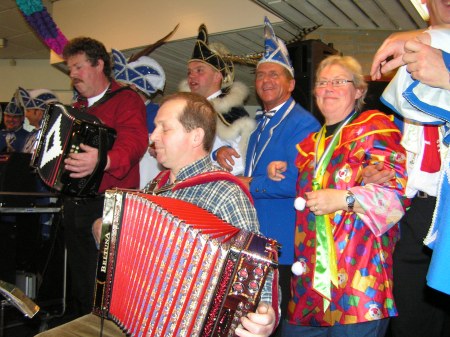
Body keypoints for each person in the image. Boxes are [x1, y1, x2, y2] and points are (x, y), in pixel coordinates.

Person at [35, 92, 278, 337]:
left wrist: (265, 315)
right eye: (155, 128)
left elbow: (258, 272)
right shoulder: (154, 187)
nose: (152, 136)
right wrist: (103, 230)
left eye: (165, 129)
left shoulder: (225, 192)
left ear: (196, 136)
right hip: (128, 318)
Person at [267, 55, 408, 337]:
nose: (328, 87)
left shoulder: (375, 128)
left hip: (358, 286)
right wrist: (279, 170)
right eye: (322, 82)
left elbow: (395, 203)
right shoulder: (309, 146)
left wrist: (345, 199)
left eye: (338, 81)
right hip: (307, 289)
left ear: (358, 91)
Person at [221, 17, 319, 335]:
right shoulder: (261, 123)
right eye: (261, 74)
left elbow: (300, 182)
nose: (265, 80)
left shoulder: (303, 125)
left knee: (277, 324)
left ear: (290, 84)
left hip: (286, 247)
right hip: (259, 243)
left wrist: (253, 183)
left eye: (274, 74)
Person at [367, 1, 450, 336]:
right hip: (418, 208)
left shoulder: (427, 50)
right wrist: (383, 172)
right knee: (412, 312)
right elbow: (401, 140)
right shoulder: (418, 57)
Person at [61, 36, 148, 317]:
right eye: (70, 68)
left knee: (106, 285)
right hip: (76, 203)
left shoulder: (127, 99)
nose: (72, 74)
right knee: (80, 282)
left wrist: (103, 161)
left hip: (109, 202)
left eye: (77, 66)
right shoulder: (76, 109)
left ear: (99, 65)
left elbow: (135, 142)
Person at [180, 24, 256, 175]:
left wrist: (214, 157)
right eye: (189, 72)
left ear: (217, 76)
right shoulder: (186, 111)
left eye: (199, 70)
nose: (191, 76)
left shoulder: (232, 112)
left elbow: (241, 161)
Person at [112, 47, 166, 188]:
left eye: (121, 86)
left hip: (149, 193)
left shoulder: (160, 115)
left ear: (135, 87)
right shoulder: (116, 115)